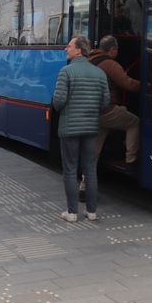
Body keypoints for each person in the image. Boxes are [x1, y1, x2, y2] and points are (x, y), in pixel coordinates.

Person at [52, 36, 110, 222]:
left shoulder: (66, 72)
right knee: (90, 170)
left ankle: (72, 213)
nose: (65, 49)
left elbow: (58, 102)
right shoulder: (99, 73)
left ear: (78, 50)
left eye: (69, 46)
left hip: (69, 129)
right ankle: (91, 212)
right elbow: (106, 102)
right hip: (91, 128)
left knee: (70, 170)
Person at [89, 35, 140, 167]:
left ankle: (85, 180)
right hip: (106, 111)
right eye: (117, 50)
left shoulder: (89, 59)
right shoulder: (110, 64)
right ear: (112, 50)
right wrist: (146, 85)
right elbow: (127, 84)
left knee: (95, 150)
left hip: (91, 111)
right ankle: (131, 159)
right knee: (134, 123)